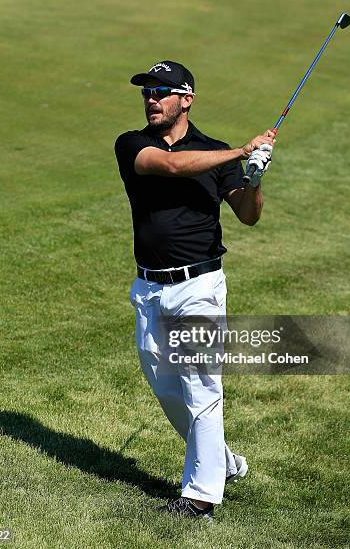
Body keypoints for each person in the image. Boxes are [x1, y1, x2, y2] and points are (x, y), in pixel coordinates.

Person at [114, 60, 275, 521]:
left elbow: (248, 214)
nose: (151, 99)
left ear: (186, 99)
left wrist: (255, 178)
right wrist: (242, 151)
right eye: (147, 92)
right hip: (148, 287)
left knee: (200, 385)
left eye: (161, 91)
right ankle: (222, 462)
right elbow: (168, 165)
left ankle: (200, 496)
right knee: (164, 385)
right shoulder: (133, 144)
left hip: (200, 286)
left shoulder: (215, 151)